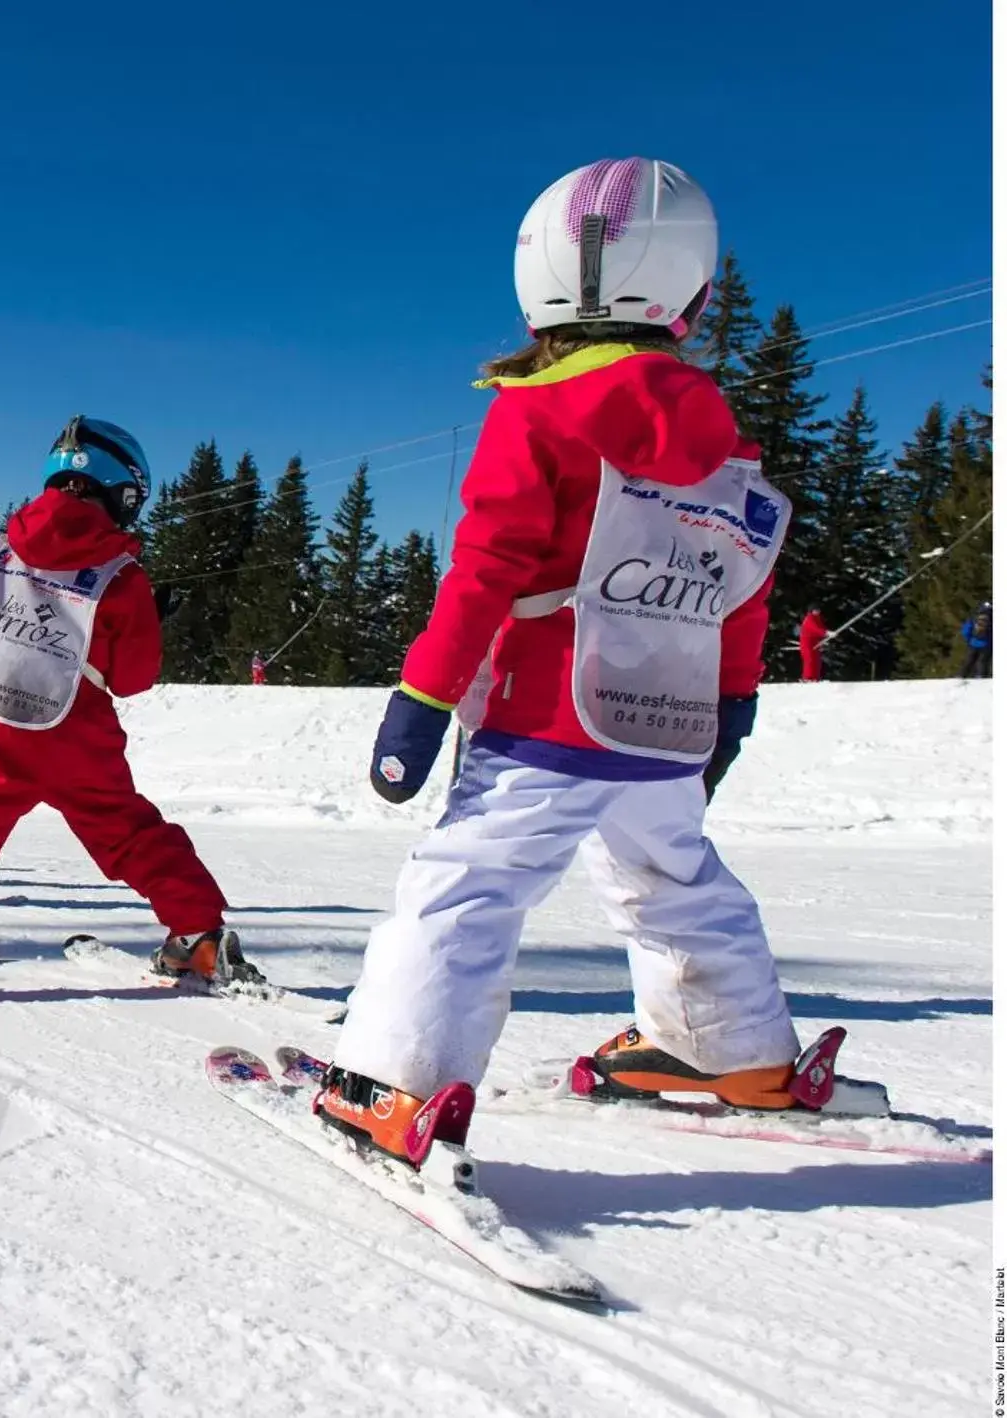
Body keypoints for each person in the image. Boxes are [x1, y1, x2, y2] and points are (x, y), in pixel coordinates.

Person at [324, 157, 809, 1167]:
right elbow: (742, 583)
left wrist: (420, 695)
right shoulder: (729, 451)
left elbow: (482, 571)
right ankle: (732, 1050)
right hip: (667, 722)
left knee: (463, 889)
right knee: (674, 879)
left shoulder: (534, 412)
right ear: (691, 291)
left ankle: (392, 1084)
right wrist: (729, 705)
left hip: (545, 720)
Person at [0, 416, 254, 995]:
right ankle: (199, 939)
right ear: (118, 489)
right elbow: (132, 679)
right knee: (131, 834)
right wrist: (150, 620)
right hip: (80, 738)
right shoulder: (122, 574)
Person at [961, 603, 991, 679]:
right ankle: (982, 678)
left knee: (969, 662)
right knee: (983, 663)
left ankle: (961, 676)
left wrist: (969, 640)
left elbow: (965, 631)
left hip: (973, 643)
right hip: (986, 645)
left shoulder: (973, 618)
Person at [798, 607, 828, 682]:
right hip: (807, 642)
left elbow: (821, 628)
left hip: (815, 642)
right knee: (809, 660)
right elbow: (816, 629)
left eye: (818, 610)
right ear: (811, 611)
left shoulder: (818, 619)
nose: (817, 611)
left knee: (816, 660)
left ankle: (815, 677)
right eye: (815, 610)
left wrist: (826, 634)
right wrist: (826, 633)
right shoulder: (809, 619)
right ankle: (807, 678)